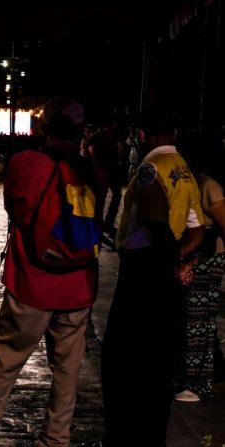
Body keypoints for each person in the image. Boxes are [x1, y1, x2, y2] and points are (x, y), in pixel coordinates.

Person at [0, 98, 106, 447]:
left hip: (33, 284)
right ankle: (56, 437)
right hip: (78, 286)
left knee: (5, 361)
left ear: (44, 129)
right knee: (67, 369)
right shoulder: (93, 170)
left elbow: (16, 212)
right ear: (82, 132)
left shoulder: (27, 163)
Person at [102, 106, 204, 445]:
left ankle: (126, 435)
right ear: (174, 134)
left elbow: (156, 224)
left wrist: (165, 260)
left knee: (124, 361)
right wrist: (180, 258)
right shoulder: (184, 170)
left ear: (142, 135)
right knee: (160, 362)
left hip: (142, 274)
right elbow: (196, 231)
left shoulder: (151, 169)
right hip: (165, 276)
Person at [173, 149, 225, 403]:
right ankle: (190, 378)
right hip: (195, 257)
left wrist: (196, 260)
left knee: (199, 322)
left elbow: (221, 227)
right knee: (191, 320)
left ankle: (197, 384)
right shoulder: (191, 183)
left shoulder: (208, 186)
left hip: (207, 259)